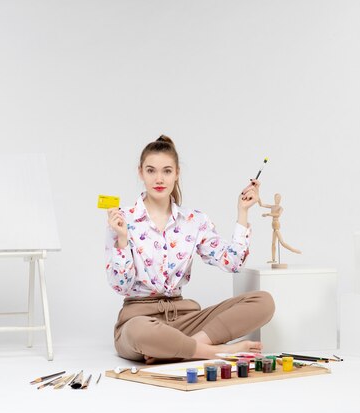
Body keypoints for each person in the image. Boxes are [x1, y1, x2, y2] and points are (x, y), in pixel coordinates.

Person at [105, 135, 275, 363]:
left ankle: (180, 348)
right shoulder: (122, 219)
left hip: (186, 319)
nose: (159, 178)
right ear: (140, 173)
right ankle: (215, 351)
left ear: (177, 174)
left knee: (263, 302)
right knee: (140, 332)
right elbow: (121, 286)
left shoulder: (194, 220)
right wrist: (123, 240)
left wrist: (242, 212)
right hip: (140, 319)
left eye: (166, 171)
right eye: (151, 171)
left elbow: (232, 263)